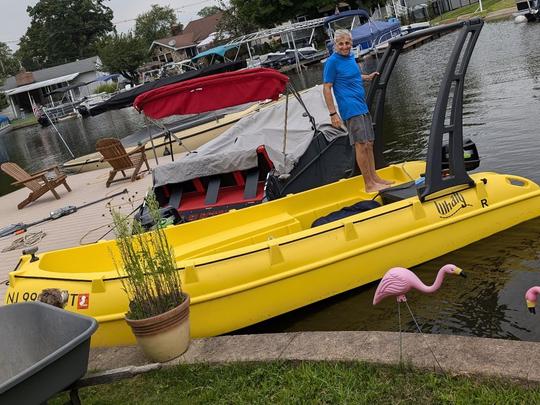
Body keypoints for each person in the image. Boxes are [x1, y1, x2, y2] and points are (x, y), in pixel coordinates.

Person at [323, 29, 393, 192]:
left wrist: (366, 77)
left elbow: (352, 75)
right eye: (341, 44)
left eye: (347, 43)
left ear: (351, 44)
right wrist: (333, 113)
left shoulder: (350, 58)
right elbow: (327, 88)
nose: (345, 46)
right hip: (350, 107)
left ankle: (375, 178)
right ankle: (369, 185)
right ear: (335, 45)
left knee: (369, 143)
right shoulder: (332, 62)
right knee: (361, 144)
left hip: (361, 104)